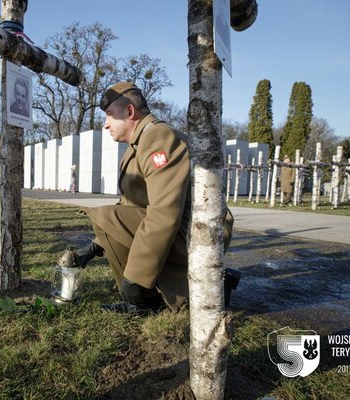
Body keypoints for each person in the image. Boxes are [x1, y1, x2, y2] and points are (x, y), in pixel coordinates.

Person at [74, 82, 237, 313]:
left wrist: (136, 279)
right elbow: (132, 208)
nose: (105, 124)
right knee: (109, 217)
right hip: (185, 226)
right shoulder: (139, 144)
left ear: (130, 112)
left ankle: (153, 300)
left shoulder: (158, 137)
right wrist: (93, 248)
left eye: (110, 115)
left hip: (200, 231)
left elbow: (164, 212)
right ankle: (164, 289)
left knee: (106, 216)